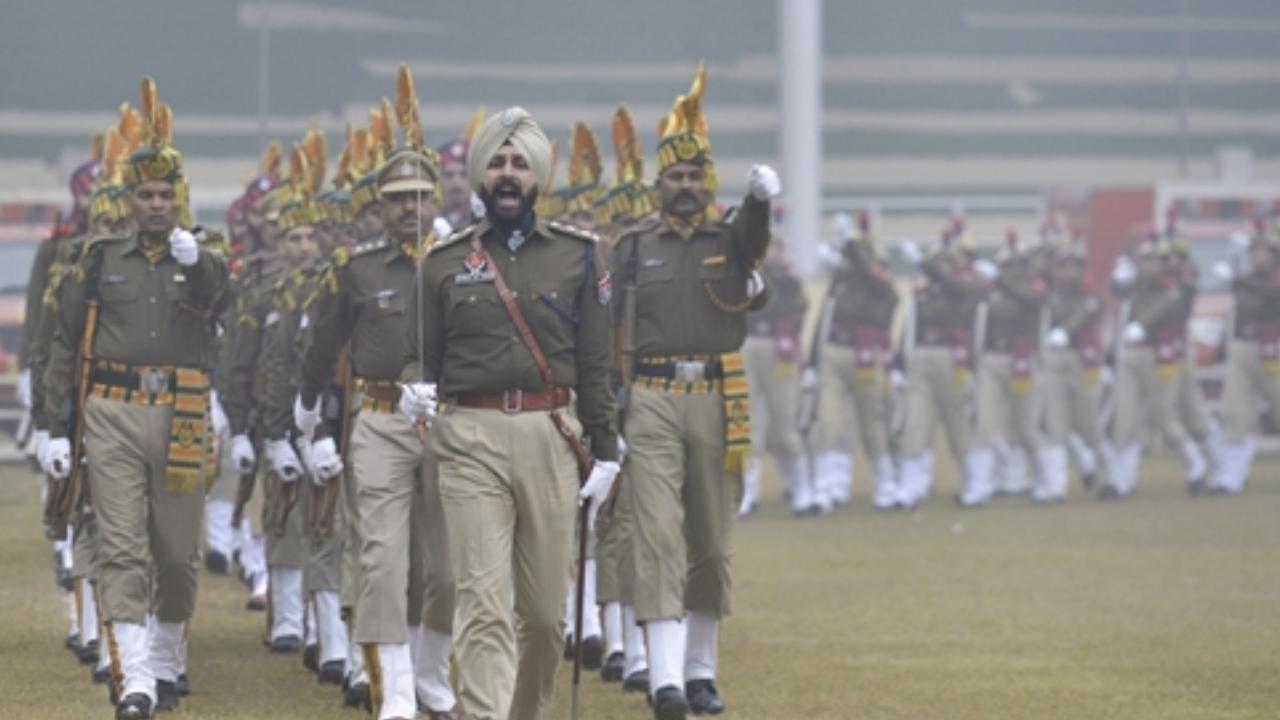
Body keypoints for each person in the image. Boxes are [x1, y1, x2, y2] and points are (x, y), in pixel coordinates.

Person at [401, 106, 619, 720]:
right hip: (469, 435)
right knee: (483, 602)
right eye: (495, 162)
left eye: (519, 163)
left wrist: (608, 451)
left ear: (538, 177)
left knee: (547, 618)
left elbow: (598, 365)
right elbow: (418, 355)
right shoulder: (443, 261)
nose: (506, 174)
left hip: (553, 435)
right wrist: (413, 386)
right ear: (478, 175)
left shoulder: (579, 258)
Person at [43, 78, 231, 719]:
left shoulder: (206, 253)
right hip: (112, 412)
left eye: (165, 194)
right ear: (128, 201)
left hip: (181, 410)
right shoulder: (98, 258)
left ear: (179, 196)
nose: (156, 205)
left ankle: (169, 654)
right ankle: (136, 678)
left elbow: (225, 301)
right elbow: (67, 343)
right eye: (145, 194)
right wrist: (53, 425)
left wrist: (197, 258)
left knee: (177, 554)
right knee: (121, 544)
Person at [611, 64, 779, 719]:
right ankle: (665, 680)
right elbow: (610, 328)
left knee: (710, 540)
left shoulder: (730, 240)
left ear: (708, 184)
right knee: (657, 536)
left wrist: (760, 200)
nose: (685, 187)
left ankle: (702, 670)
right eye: (675, 177)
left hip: (716, 394)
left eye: (694, 177)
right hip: (649, 397)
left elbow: (757, 246)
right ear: (658, 185)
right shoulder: (632, 248)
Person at [298, 65, 459, 720]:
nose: (410, 207)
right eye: (397, 197)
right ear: (379, 204)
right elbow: (321, 345)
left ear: (438, 197)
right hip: (382, 420)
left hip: (451, 422)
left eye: (420, 195)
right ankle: (392, 691)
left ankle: (430, 674)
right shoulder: (358, 269)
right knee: (382, 560)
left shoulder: (464, 262)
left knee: (445, 569)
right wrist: (308, 419)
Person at [894, 228, 995, 509]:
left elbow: (960, 290)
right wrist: (899, 363)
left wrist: (928, 267)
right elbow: (911, 327)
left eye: (951, 260)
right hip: (922, 357)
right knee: (915, 423)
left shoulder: (971, 285)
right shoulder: (926, 291)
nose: (946, 265)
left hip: (954, 359)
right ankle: (910, 486)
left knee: (959, 426)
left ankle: (976, 483)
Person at [807, 212, 900, 510]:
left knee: (872, 423)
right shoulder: (842, 283)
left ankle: (885, 484)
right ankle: (826, 487)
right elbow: (824, 321)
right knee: (829, 423)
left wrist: (850, 243)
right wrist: (811, 362)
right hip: (834, 352)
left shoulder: (881, 283)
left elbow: (871, 275)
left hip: (866, 355)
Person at [967, 230, 1049, 506]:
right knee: (985, 425)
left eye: (1016, 266)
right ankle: (980, 485)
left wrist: (1001, 281)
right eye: (1006, 266)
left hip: (1022, 361)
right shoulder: (991, 293)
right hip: (993, 359)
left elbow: (1031, 300)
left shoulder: (1034, 288)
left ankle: (1048, 480)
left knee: (1026, 427)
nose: (1011, 271)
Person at [741, 239, 812, 515]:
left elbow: (792, 308)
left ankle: (801, 487)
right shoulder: (744, 274)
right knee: (749, 423)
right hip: (748, 344)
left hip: (779, 348)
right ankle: (748, 490)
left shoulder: (788, 280)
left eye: (771, 247)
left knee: (785, 424)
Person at [1209, 227, 1280, 493]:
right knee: (1235, 412)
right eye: (1253, 252)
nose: (1256, 257)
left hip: (1273, 350)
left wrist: (1239, 280)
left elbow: (1273, 296)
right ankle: (1231, 476)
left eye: (1262, 252)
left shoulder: (1269, 280)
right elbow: (1236, 313)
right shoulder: (1246, 280)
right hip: (1243, 348)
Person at [1040, 238, 1107, 500]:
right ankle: (1057, 485)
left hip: (1082, 361)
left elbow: (1085, 315)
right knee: (1055, 423)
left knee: (1087, 424)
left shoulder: (1089, 295)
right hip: (1056, 359)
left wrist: (1065, 332)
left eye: (1073, 266)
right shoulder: (1054, 294)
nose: (1067, 272)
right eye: (1063, 266)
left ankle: (1111, 473)